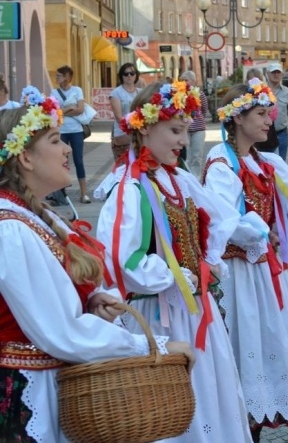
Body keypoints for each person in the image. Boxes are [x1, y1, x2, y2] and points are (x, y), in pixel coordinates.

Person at [0, 87, 193, 441]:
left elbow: (51, 300)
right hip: (28, 392)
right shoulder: (10, 229)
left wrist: (88, 299)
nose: (68, 149)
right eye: (57, 141)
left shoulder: (36, 215)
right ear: (25, 158)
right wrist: (153, 346)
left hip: (56, 382)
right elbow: (60, 331)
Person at [95, 81, 253, 443]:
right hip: (160, 317)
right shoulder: (129, 188)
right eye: (176, 130)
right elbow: (122, 259)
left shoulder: (178, 178)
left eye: (186, 130)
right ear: (146, 127)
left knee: (209, 394)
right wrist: (176, 276)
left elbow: (217, 217)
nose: (184, 140)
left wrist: (209, 260)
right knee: (169, 408)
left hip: (196, 310)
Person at [203, 80, 288, 440]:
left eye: (267, 114)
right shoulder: (220, 163)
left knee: (270, 345)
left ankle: (254, 429)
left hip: (264, 273)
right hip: (236, 276)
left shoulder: (266, 162)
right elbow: (222, 219)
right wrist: (260, 233)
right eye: (260, 114)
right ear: (237, 118)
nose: (268, 121)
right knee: (243, 350)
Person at [51, 65, 90, 203]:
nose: (57, 78)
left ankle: (84, 193)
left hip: (76, 130)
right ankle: (62, 194)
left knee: (79, 160)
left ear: (67, 77)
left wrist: (63, 110)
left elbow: (80, 109)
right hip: (61, 131)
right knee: (61, 161)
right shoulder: (54, 93)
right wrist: (68, 108)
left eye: (59, 76)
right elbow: (54, 111)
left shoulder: (77, 90)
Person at [110, 63, 141, 161]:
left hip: (139, 134)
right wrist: (133, 128)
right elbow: (119, 117)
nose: (129, 76)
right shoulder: (116, 93)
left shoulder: (140, 92)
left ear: (136, 75)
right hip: (123, 134)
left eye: (132, 73)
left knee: (138, 166)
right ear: (121, 76)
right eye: (125, 73)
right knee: (123, 166)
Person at [180, 70, 208, 177]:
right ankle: (186, 177)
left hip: (198, 129)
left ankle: (196, 178)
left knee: (197, 156)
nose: (184, 82)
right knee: (185, 155)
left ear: (193, 81)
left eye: (186, 80)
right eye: (182, 80)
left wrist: (199, 120)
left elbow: (204, 109)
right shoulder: (179, 95)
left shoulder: (199, 94)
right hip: (184, 129)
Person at [266, 63, 288, 160]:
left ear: (282, 74)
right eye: (273, 72)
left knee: (281, 163)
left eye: (278, 72)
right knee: (265, 163)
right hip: (264, 133)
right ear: (267, 74)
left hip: (282, 133)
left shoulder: (287, 92)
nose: (276, 75)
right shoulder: (260, 91)